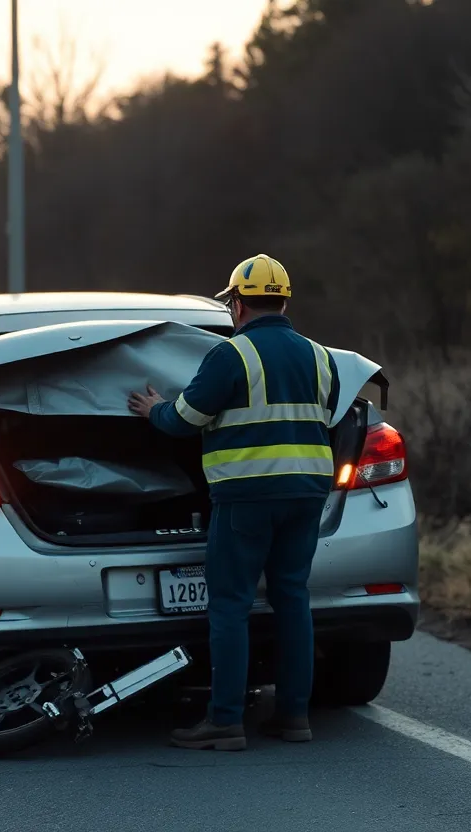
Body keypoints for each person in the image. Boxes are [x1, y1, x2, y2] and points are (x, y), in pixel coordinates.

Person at [128, 254, 340, 751]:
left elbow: (183, 419)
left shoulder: (232, 356)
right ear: (284, 301)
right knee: (292, 599)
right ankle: (293, 718)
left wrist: (151, 409)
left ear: (238, 305)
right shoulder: (321, 355)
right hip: (307, 492)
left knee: (229, 604)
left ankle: (225, 720)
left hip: (247, 496)